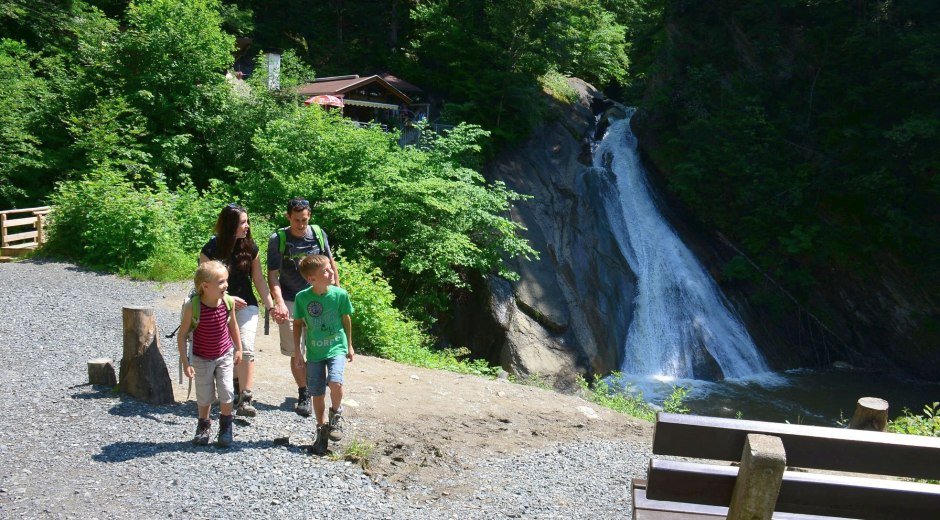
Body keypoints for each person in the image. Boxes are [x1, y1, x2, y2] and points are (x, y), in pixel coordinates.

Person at [267, 197, 340, 417]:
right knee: (295, 350)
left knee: (321, 345)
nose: (301, 224)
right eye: (297, 220)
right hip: (290, 299)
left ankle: (319, 387)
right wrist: (278, 302)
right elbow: (272, 275)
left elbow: (329, 261)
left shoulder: (317, 233)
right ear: (288, 217)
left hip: (318, 297)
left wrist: (336, 289)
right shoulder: (278, 239)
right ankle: (304, 393)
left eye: (305, 220)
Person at [200, 203, 274, 417]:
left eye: (247, 221)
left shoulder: (251, 248)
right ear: (230, 225)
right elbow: (201, 285)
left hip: (247, 305)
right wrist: (227, 298)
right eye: (243, 222)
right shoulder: (210, 250)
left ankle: (246, 398)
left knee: (247, 348)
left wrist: (270, 305)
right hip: (217, 306)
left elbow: (258, 280)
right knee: (225, 351)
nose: (247, 226)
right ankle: (229, 389)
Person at [292, 254, 354, 455]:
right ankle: (322, 429)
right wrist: (298, 352)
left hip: (336, 346)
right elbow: (298, 324)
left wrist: (350, 346)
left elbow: (346, 320)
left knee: (335, 382)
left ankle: (336, 415)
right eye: (325, 271)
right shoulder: (302, 298)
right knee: (317, 393)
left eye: (330, 268)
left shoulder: (340, 295)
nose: (331, 273)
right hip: (315, 352)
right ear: (312, 279)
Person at [178, 261, 243, 447]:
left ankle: (226, 426)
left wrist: (238, 348)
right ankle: (203, 426)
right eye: (221, 282)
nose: (226, 285)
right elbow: (182, 336)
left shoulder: (228, 302)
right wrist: (186, 362)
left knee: (227, 392)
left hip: (224, 355)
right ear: (205, 286)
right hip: (201, 357)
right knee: (204, 395)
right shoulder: (193, 306)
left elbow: (233, 326)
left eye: (226, 280)